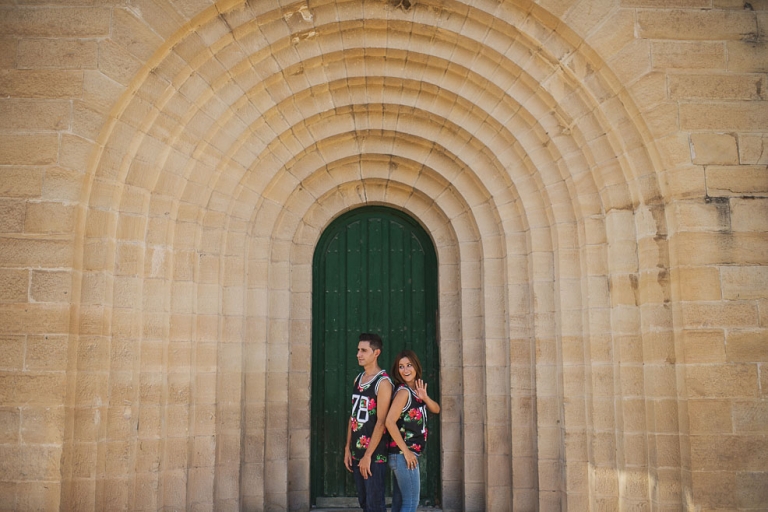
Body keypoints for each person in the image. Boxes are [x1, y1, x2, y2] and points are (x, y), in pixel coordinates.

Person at [385, 350, 440, 512]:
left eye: (409, 365)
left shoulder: (416, 390)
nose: (405, 370)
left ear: (416, 367)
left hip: (402, 455)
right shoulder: (403, 392)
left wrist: (425, 397)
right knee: (410, 503)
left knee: (399, 503)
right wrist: (407, 452)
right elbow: (389, 421)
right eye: (401, 367)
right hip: (403, 455)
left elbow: (436, 409)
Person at [344, 333, 393, 512]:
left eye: (364, 350)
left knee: (375, 505)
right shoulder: (358, 379)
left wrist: (368, 456)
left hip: (374, 456)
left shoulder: (383, 382)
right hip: (357, 453)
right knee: (365, 504)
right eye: (358, 350)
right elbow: (353, 416)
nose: (359, 354)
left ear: (376, 353)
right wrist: (347, 448)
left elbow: (381, 422)